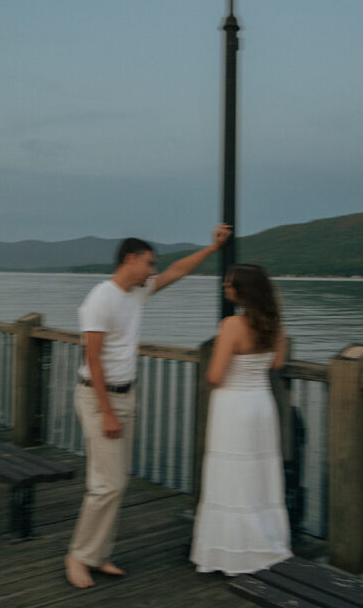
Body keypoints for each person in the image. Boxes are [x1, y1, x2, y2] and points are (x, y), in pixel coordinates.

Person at [65, 224, 232, 589]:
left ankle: (98, 553)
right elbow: (92, 358)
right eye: (149, 263)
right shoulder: (100, 298)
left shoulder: (137, 293)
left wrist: (212, 248)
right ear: (130, 259)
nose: (153, 270)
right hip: (99, 397)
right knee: (105, 484)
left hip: (126, 394)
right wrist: (107, 411)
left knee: (117, 481)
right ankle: (78, 556)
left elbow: (178, 271)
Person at [190, 263, 293, 575]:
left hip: (233, 408)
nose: (225, 289)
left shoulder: (232, 325)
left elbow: (215, 375)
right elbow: (276, 363)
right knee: (259, 475)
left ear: (243, 290)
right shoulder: (274, 323)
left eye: (229, 285)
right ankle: (263, 542)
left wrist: (215, 374)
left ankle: (231, 551)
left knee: (231, 476)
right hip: (261, 405)